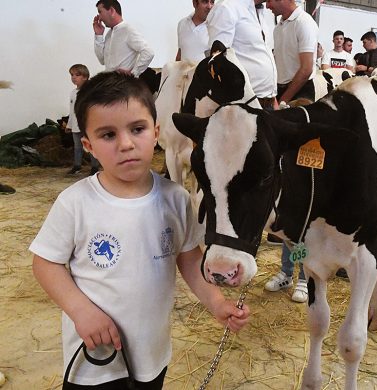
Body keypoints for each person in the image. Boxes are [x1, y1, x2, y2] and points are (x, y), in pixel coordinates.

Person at [30, 72, 250, 388]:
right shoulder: (75, 202)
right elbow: (45, 263)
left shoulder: (176, 198)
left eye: (137, 129)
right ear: (88, 145)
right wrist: (81, 312)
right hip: (95, 357)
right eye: (108, 135)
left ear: (156, 132)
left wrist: (216, 302)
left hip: (152, 353)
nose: (126, 144)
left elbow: (188, 259)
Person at [263, 0, 319, 303]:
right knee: (285, 195)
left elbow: (306, 68)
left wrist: (283, 100)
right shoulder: (279, 25)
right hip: (280, 99)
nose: (267, 4)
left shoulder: (304, 24)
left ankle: (303, 275)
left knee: (303, 197)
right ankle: (286, 270)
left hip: (300, 101)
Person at [206, 0, 277, 109]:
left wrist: (272, 97)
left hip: (267, 102)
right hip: (243, 105)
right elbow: (217, 61)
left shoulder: (259, 10)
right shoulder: (227, 8)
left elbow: (261, 55)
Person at [93, 0, 154, 78]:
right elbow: (102, 60)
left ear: (111, 10)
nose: (100, 18)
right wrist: (99, 35)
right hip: (110, 83)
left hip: (123, 86)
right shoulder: (109, 34)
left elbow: (149, 52)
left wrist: (133, 74)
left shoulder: (128, 30)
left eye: (100, 12)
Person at [65, 64, 100, 176]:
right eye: (72, 75)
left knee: (91, 146)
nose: (73, 77)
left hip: (87, 125)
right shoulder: (73, 93)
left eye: (77, 75)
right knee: (77, 147)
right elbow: (72, 111)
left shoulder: (91, 92)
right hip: (76, 125)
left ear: (85, 77)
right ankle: (77, 166)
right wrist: (69, 125)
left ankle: (95, 167)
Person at [176, 0, 214, 64]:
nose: (209, 6)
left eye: (212, 2)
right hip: (184, 73)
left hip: (205, 73)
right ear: (195, 3)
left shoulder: (216, 26)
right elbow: (180, 52)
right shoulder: (182, 24)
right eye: (205, 2)